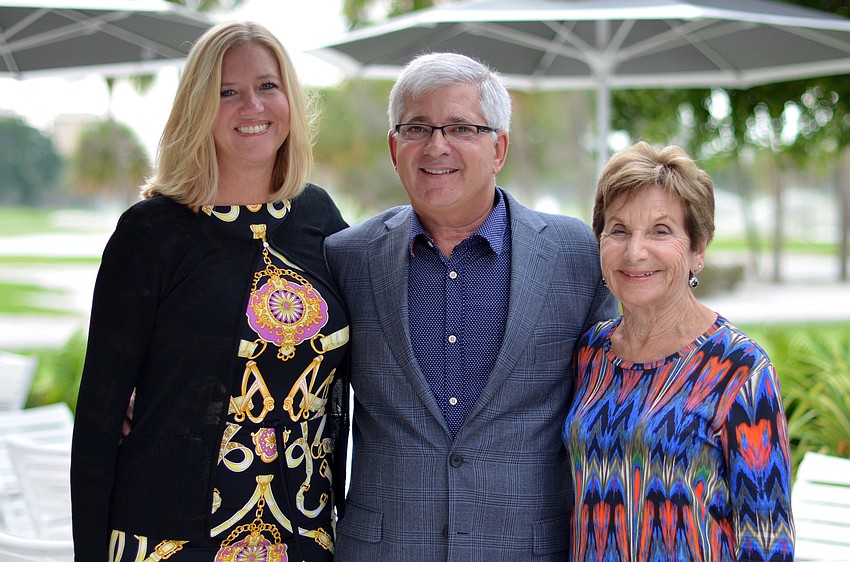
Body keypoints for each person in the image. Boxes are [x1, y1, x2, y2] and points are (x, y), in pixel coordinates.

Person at [70, 21, 350, 562]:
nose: (253, 106)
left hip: (305, 531)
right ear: (198, 107)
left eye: (268, 86)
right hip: (173, 538)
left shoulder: (319, 217)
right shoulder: (150, 233)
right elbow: (99, 419)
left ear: (289, 99)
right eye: (228, 92)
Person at [323, 52, 619, 561]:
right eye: (417, 127)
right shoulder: (347, 257)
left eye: (461, 127)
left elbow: (620, 389)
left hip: (528, 547)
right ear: (394, 148)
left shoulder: (577, 255)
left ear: (499, 147)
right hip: (385, 548)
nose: (436, 145)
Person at [563, 141, 795, 561]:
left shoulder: (741, 370)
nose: (635, 251)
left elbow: (768, 542)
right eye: (618, 230)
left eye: (660, 231)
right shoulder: (590, 354)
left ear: (698, 250)